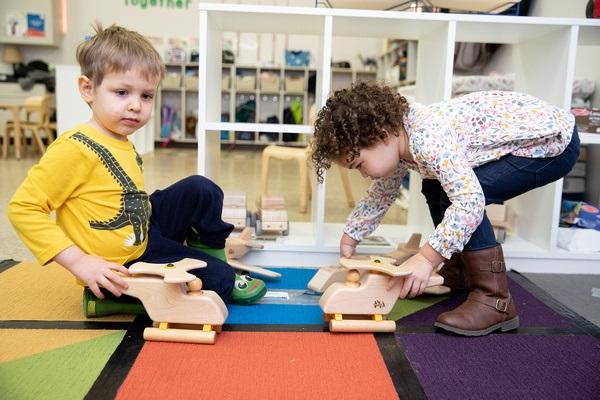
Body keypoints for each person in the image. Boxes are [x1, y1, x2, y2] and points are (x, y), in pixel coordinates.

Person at [7, 24, 266, 315]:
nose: (135, 106)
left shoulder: (121, 138)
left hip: (142, 230)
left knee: (201, 188)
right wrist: (79, 261)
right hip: (120, 263)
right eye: (121, 92)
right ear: (88, 89)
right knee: (220, 281)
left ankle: (209, 254)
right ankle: (108, 297)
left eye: (146, 96)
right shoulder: (73, 148)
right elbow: (24, 208)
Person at [311, 82, 579, 336]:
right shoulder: (398, 138)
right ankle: (462, 273)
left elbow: (469, 202)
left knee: (466, 196)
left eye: (359, 165)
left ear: (381, 136)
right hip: (531, 136)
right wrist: (353, 234)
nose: (363, 175)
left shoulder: (428, 137)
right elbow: (382, 192)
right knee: (435, 186)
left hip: (551, 142)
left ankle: (494, 299)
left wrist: (427, 258)